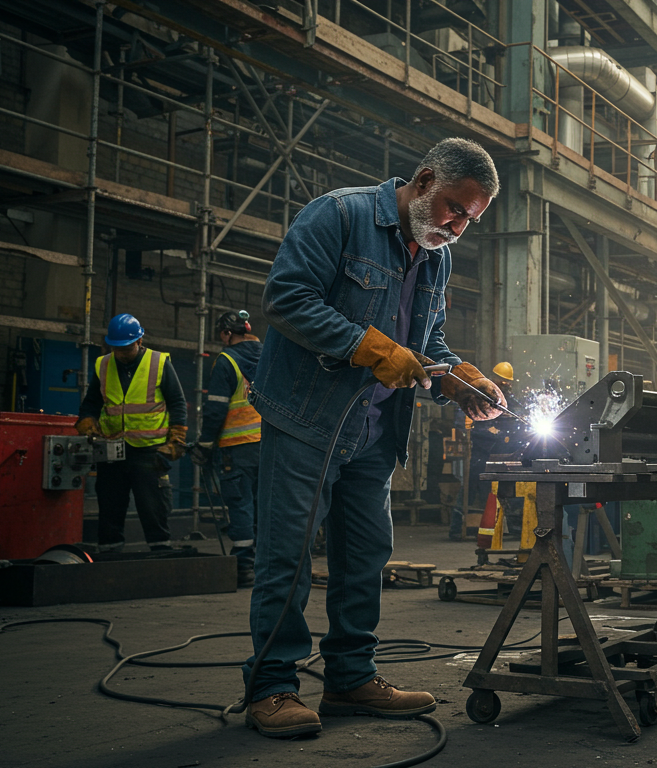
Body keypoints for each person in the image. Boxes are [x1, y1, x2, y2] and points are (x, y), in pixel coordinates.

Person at [241, 138, 505, 738]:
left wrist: (459, 379)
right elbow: (286, 299)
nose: (457, 227)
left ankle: (350, 679)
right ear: (425, 178)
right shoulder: (340, 215)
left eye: (470, 220)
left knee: (364, 557)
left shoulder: (435, 256)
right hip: (310, 419)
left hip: (376, 429)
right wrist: (369, 345)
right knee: (288, 556)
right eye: (453, 210)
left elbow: (426, 344)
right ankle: (272, 687)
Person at [76, 313, 188, 552]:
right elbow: (92, 402)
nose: (122, 353)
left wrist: (177, 437)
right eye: (117, 349)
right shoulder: (103, 365)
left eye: (127, 348)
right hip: (112, 449)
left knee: (152, 505)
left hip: (149, 450)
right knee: (110, 503)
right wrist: (87, 420)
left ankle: (160, 550)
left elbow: (177, 402)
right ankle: (109, 551)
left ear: (139, 341)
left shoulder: (158, 363)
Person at [189, 310, 263, 586]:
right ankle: (266, 566)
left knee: (240, 504)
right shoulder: (269, 355)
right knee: (263, 506)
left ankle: (244, 566)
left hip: (237, 447)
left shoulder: (226, 360)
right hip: (269, 446)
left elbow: (216, 409)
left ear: (226, 333)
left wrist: (205, 445)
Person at [465, 361, 525, 540]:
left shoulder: (510, 400)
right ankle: (458, 529)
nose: (505, 386)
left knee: (510, 490)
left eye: (508, 383)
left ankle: (514, 528)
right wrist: (492, 431)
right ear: (494, 379)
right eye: (502, 382)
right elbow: (475, 423)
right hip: (482, 452)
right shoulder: (481, 395)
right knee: (474, 489)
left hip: (505, 452)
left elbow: (519, 415)